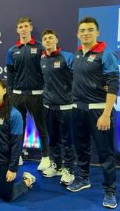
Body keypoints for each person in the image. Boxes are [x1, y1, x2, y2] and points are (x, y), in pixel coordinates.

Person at [67, 17, 119, 209]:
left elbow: (113, 84)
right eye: (82, 30)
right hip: (78, 110)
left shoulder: (106, 53)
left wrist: (106, 113)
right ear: (78, 34)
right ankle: (83, 178)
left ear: (97, 33)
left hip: (98, 111)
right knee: (81, 148)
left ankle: (110, 190)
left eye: (90, 30)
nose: (86, 33)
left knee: (105, 153)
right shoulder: (78, 53)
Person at [0, 78, 36, 202]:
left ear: (4, 90)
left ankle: (28, 180)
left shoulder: (14, 114)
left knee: (7, 196)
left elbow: (17, 144)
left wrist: (12, 168)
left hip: (3, 162)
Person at [6, 17, 50, 170]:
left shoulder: (40, 47)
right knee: (18, 128)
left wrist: (46, 89)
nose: (23, 29)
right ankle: (17, 155)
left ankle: (45, 157)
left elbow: (47, 70)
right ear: (17, 30)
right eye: (20, 27)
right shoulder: (12, 51)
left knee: (41, 126)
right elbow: (10, 74)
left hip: (37, 94)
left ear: (31, 28)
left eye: (26, 26)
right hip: (17, 95)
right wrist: (10, 93)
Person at [39, 29, 76, 185]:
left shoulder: (67, 57)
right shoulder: (41, 59)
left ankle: (69, 169)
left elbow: (79, 77)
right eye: (45, 38)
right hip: (48, 106)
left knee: (67, 140)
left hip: (66, 107)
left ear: (56, 40)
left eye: (50, 38)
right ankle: (57, 165)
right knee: (53, 139)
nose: (47, 40)